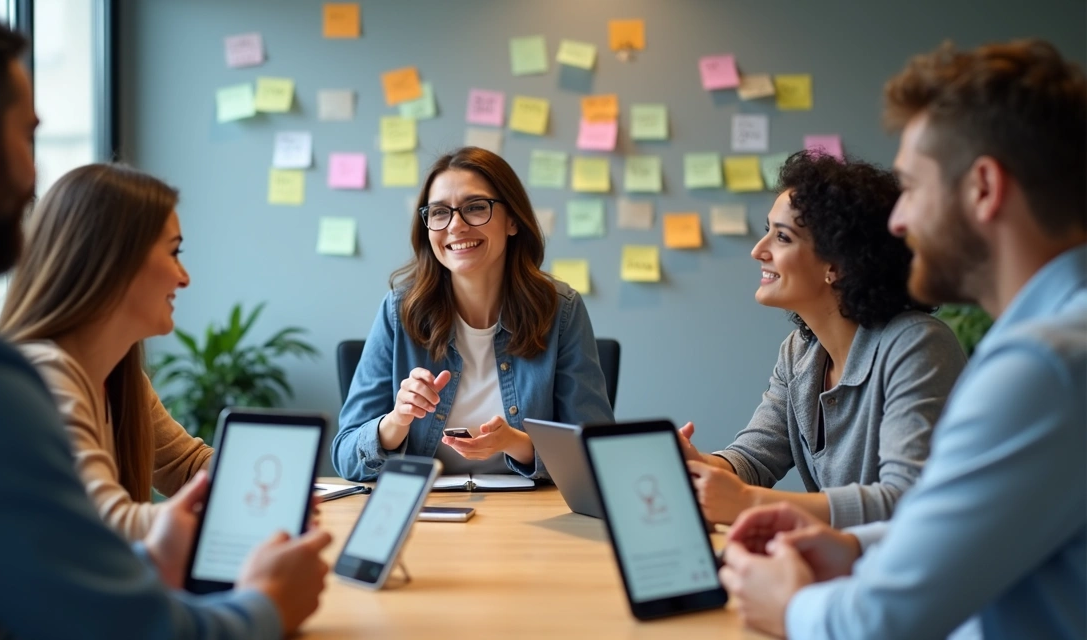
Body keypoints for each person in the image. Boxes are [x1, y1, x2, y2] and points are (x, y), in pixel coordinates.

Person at [0, 1, 329, 637]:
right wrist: (267, 604)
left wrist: (156, 553)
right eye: (28, 136)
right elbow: (118, 628)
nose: (34, 175)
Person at [718, 39, 1086, 640]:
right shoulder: (1056, 344)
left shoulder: (1040, 366)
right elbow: (971, 526)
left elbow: (879, 622)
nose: (897, 221)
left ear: (984, 189)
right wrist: (852, 549)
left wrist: (787, 608)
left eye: (913, 187)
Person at [679, 152, 966, 527]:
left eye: (782, 236)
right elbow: (753, 459)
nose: (758, 250)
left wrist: (748, 503)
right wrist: (696, 464)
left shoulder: (917, 345)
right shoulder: (800, 352)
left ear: (837, 265)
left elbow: (905, 500)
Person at [332, 147, 614, 482]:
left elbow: (596, 453)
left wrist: (516, 443)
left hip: (529, 516)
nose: (456, 226)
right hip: (425, 511)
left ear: (512, 220)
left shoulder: (560, 310)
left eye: (476, 208)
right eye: (439, 213)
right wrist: (396, 420)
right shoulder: (399, 310)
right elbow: (346, 454)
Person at [0, 163, 212, 541]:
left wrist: (273, 485)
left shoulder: (117, 375)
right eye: (174, 253)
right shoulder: (45, 376)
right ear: (114, 261)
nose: (184, 277)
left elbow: (187, 465)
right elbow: (107, 523)